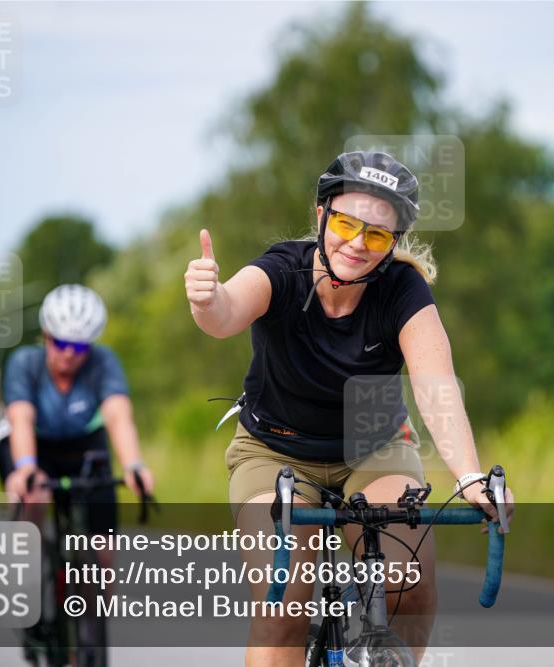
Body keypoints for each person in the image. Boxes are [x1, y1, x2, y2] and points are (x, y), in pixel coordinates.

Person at [184, 150, 515, 664]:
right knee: (285, 607)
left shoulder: (402, 289)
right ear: (321, 216)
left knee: (408, 582)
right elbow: (225, 315)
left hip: (374, 448)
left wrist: (469, 476)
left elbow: (436, 386)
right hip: (275, 453)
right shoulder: (282, 270)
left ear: (394, 243)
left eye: (378, 235)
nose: (357, 244)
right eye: (345, 223)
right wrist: (207, 301)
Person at [0, 284, 155, 534]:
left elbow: (118, 415)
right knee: (33, 497)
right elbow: (21, 418)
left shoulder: (104, 361)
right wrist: (26, 468)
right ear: (46, 335)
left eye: (80, 346)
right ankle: (30, 562)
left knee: (104, 552)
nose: (69, 353)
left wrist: (133, 465)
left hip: (83, 446)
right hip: (34, 444)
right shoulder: (24, 362)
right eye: (60, 343)